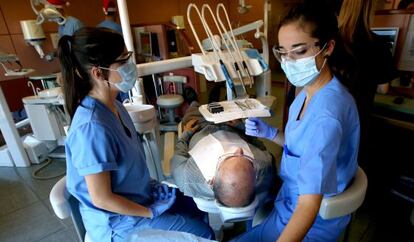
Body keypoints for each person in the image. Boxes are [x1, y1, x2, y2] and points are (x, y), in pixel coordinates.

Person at [60, 27, 213, 242]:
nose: (130, 67)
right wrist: (150, 212)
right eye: (123, 61)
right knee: (204, 234)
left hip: (141, 197)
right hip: (118, 223)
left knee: (197, 206)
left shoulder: (116, 106)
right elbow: (102, 199)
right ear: (97, 72)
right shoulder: (91, 128)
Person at [232, 1, 360, 241]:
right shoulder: (308, 92)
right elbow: (303, 149)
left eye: (299, 51)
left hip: (310, 221)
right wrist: (270, 134)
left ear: (327, 47)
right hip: (287, 199)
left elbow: (308, 206)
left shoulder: (327, 115)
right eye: (283, 52)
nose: (289, 61)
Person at [170, 89, 275, 207]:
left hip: (199, 126)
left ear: (212, 180)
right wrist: (241, 126)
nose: (239, 150)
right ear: (255, 181)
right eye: (247, 158)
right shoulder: (264, 167)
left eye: (228, 158)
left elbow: (179, 153)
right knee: (226, 106)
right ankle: (220, 97)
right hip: (231, 126)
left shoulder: (187, 177)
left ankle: (194, 101)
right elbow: (259, 145)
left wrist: (186, 134)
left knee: (194, 110)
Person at [337, 0, 396, 170]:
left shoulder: (329, 42)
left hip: (328, 119)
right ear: (370, 10)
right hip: (358, 121)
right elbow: (383, 89)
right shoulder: (378, 45)